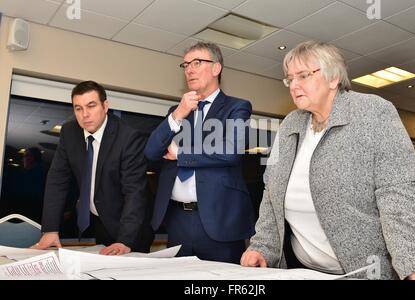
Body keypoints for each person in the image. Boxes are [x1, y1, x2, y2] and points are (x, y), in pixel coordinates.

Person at [240, 41, 415, 279]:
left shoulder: (373, 112)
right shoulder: (290, 124)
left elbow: (398, 191)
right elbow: (271, 192)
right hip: (311, 271)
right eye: (290, 79)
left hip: (372, 270)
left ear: (333, 79)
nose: (294, 85)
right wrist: (263, 246)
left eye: (303, 76)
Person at [144, 42, 255, 263]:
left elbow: (230, 151)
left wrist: (180, 155)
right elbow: (151, 152)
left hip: (220, 221)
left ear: (216, 68)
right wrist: (178, 114)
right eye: (185, 65)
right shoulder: (177, 112)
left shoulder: (237, 107)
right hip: (177, 222)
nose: (189, 70)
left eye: (197, 63)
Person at [32, 81, 153, 255]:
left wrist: (125, 240)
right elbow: (57, 181)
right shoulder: (69, 132)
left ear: (105, 106)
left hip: (132, 228)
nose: (85, 115)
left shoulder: (128, 137)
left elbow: (135, 192)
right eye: (78, 108)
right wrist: (50, 229)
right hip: (101, 222)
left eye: (91, 106)